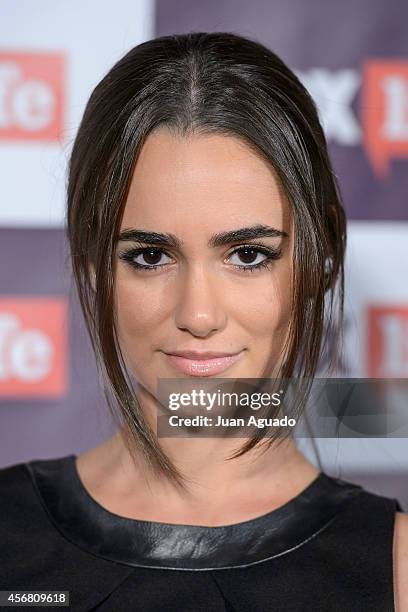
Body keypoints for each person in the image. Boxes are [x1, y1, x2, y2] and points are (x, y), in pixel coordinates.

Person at [0, 31, 407, 612]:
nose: (198, 315)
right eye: (150, 256)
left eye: (248, 255)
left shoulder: (396, 567)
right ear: (93, 267)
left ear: (320, 259)